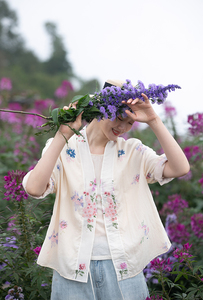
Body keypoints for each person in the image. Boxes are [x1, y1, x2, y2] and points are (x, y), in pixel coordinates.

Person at [22, 79, 190, 300]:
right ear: (101, 108)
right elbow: (34, 188)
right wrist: (63, 135)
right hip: (72, 268)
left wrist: (154, 120)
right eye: (119, 117)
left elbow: (180, 168)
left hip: (124, 268)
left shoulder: (133, 151)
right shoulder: (66, 149)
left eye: (129, 122)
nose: (122, 127)